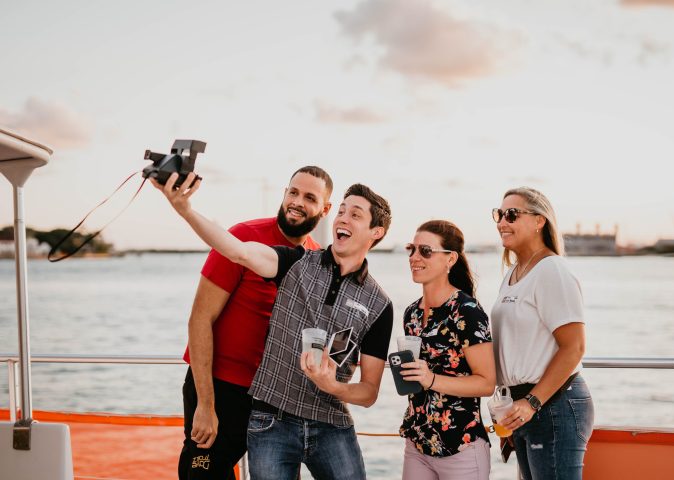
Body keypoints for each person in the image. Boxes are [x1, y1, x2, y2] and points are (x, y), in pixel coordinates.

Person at [154, 173, 393, 480]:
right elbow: (234, 256)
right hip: (245, 402)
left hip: (302, 411)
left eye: (355, 214)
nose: (342, 218)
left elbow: (368, 387)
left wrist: (332, 384)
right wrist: (184, 208)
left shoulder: (365, 293)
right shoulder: (293, 259)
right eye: (343, 211)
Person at [177, 166, 333, 480]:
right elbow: (199, 319)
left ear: (325, 209)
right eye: (293, 192)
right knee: (199, 474)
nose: (297, 201)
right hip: (220, 389)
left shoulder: (318, 260)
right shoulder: (244, 236)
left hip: (274, 400)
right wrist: (206, 404)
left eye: (309, 197)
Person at [490, 187, 594, 480]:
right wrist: (510, 412)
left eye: (512, 214)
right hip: (523, 408)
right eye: (499, 215)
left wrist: (532, 403)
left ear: (540, 221)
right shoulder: (512, 275)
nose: (502, 222)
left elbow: (573, 348)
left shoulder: (552, 271)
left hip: (553, 406)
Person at [398, 220, 496, 480]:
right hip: (418, 443)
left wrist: (430, 379)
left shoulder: (466, 310)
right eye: (412, 249)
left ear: (450, 259)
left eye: (425, 251)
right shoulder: (412, 313)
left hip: (460, 445)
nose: (414, 257)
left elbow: (487, 383)